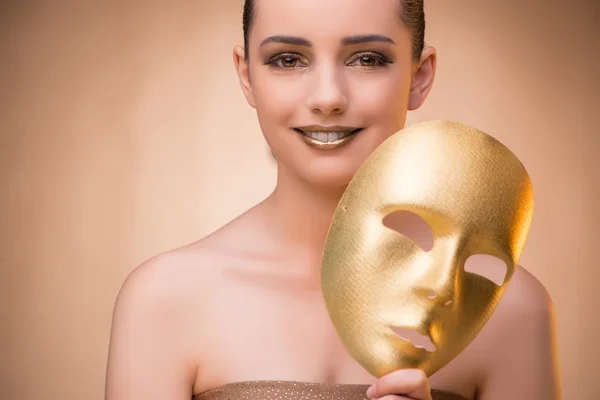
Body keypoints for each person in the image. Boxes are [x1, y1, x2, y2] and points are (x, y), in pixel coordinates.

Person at [104, 0, 562, 399]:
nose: (327, 98)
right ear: (246, 76)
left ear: (419, 77)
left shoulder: (511, 313)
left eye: (366, 58)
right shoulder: (165, 300)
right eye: (287, 60)